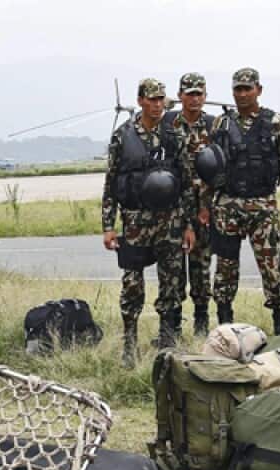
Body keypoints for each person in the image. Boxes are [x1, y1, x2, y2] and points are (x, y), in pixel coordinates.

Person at [209, 68, 280, 336]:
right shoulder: (221, 124)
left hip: (263, 206)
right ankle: (225, 330)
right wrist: (206, 206)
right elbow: (209, 165)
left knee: (271, 268)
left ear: (258, 90)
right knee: (224, 270)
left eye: (247, 89)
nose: (242, 94)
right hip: (228, 206)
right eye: (237, 89)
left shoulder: (274, 122)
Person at [102, 78, 188, 367]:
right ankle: (130, 344)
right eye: (151, 99)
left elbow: (186, 182)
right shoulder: (122, 136)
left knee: (171, 283)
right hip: (136, 221)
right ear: (140, 101)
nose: (157, 104)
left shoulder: (174, 134)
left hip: (170, 221)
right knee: (132, 284)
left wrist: (187, 225)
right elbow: (111, 182)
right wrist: (108, 225)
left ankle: (167, 343)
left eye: (161, 98)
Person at [165, 72, 217, 337]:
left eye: (199, 93)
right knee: (173, 267)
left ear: (205, 96)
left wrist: (208, 205)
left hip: (203, 207)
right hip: (174, 207)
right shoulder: (168, 124)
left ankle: (201, 322)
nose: (194, 98)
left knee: (201, 265)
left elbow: (221, 168)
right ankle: (173, 326)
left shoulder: (215, 125)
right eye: (189, 93)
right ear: (180, 96)